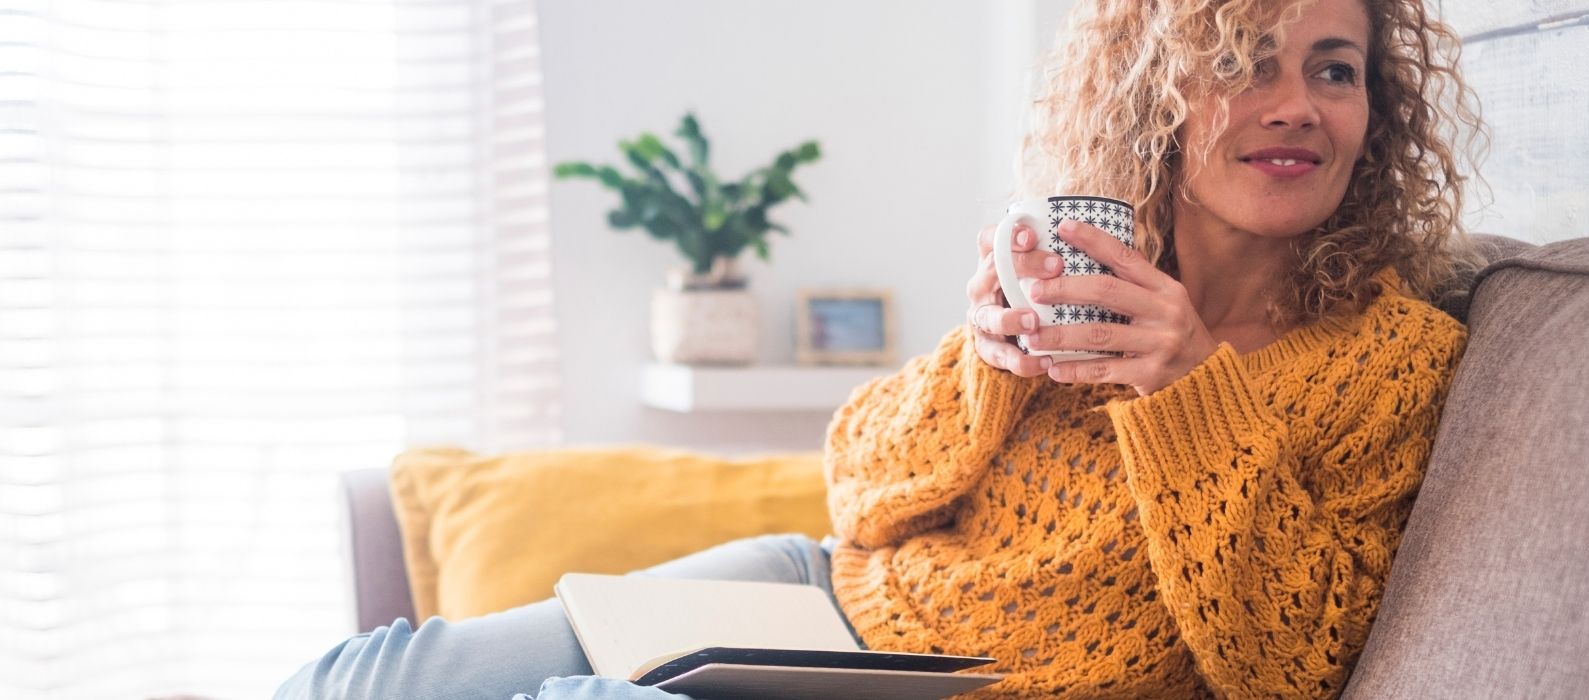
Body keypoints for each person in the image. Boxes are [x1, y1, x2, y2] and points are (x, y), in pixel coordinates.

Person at [276, 0, 1487, 697]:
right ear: (1158, 100)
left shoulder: (1393, 356)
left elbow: (1292, 661)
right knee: (382, 672)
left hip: (944, 689)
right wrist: (983, 360)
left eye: (1334, 70)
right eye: (1242, 64)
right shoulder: (1078, 266)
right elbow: (859, 489)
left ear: (1375, 113)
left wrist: (1182, 391)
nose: (1294, 104)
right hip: (819, 597)